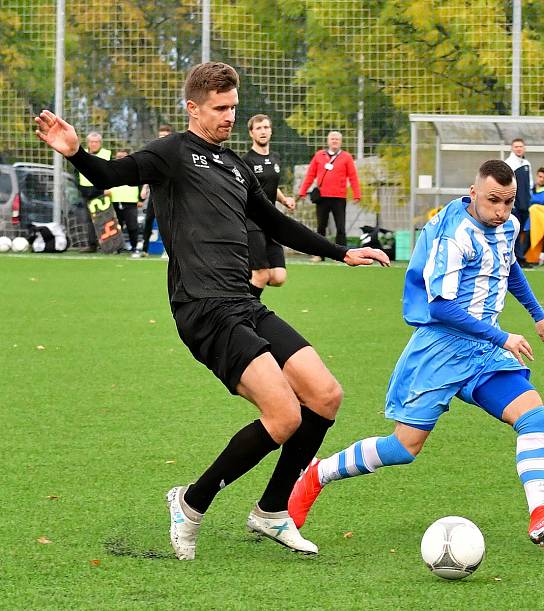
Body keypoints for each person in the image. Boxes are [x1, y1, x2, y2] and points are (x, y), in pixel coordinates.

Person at [35, 62, 389, 561]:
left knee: (326, 396)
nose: (229, 117)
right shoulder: (173, 153)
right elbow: (113, 174)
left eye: (233, 108)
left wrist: (341, 251)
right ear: (193, 107)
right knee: (284, 414)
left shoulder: (236, 165)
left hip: (244, 301)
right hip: (203, 308)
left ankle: (271, 511)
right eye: (220, 109)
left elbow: (276, 223)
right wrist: (76, 152)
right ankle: (190, 503)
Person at [288, 160, 544, 547]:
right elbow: (440, 308)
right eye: (492, 201)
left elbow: (508, 266)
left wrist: (539, 315)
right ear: (473, 193)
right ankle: (317, 474)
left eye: (508, 202)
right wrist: (502, 337)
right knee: (403, 448)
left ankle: (541, 513)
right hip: (440, 350)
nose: (500, 211)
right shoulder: (456, 236)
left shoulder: (509, 225)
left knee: (533, 415)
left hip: (483, 351)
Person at [242, 114, 295, 297]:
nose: (263, 131)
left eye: (266, 127)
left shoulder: (275, 158)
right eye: (258, 128)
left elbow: (271, 186)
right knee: (262, 275)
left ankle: (243, 277)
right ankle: (245, 311)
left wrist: (284, 199)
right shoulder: (246, 161)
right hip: (253, 223)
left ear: (271, 130)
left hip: (270, 223)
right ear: (251, 133)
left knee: (278, 277)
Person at [298, 131, 361, 260]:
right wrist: (302, 191)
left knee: (340, 227)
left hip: (339, 197)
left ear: (341, 142)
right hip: (322, 197)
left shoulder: (346, 157)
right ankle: (319, 254)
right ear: (328, 141)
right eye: (332, 139)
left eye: (337, 139)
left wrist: (357, 194)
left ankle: (342, 255)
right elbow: (310, 174)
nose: (334, 141)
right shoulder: (319, 156)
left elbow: (353, 177)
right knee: (321, 227)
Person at [141, 123, 173, 257]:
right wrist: (144, 187)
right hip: (155, 193)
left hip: (170, 194)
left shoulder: (175, 153)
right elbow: (149, 171)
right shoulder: (154, 152)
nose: (162, 138)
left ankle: (169, 250)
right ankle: (144, 249)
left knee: (168, 221)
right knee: (148, 219)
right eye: (160, 136)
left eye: (165, 136)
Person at [76, 131, 112, 253]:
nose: (94, 144)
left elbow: (112, 172)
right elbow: (76, 172)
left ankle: (107, 245)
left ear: (100, 143)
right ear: (88, 143)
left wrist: (109, 187)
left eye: (96, 142)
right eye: (92, 142)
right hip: (86, 191)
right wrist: (79, 187)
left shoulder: (107, 154)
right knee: (89, 219)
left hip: (100, 190)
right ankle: (92, 245)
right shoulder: (82, 154)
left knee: (104, 219)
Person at [504, 138, 532, 266]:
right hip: (515, 204)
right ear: (512, 148)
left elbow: (529, 183)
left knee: (520, 231)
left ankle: (518, 257)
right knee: (514, 230)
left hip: (525, 203)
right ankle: (518, 259)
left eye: (521, 146)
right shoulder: (509, 163)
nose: (519, 149)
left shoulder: (526, 163)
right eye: (516, 146)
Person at [108, 149, 141, 255]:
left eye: (123, 156)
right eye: (118, 156)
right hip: (115, 201)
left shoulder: (135, 169)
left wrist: (141, 199)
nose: (120, 159)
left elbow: (141, 183)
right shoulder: (111, 169)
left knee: (132, 226)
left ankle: (134, 247)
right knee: (117, 227)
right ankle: (117, 248)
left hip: (130, 202)